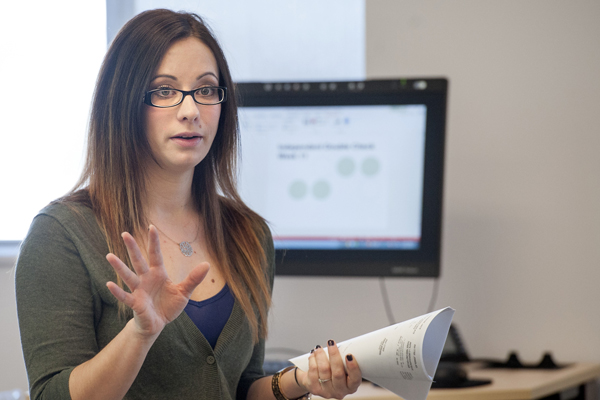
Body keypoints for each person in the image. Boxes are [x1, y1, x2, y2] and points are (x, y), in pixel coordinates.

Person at [15, 8, 362, 400]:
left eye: (207, 90)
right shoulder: (62, 234)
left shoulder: (247, 233)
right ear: (123, 102)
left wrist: (303, 381)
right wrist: (141, 332)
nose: (190, 110)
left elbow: (241, 386)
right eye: (164, 90)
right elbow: (51, 395)